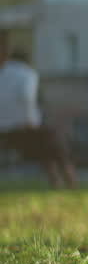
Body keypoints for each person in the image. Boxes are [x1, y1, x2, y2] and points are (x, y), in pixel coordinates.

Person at [0, 46, 78, 188]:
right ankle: (69, 180)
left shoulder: (2, 74)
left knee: (44, 148)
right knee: (56, 145)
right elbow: (27, 97)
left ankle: (56, 182)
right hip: (25, 126)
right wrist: (29, 120)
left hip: (4, 130)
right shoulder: (27, 74)